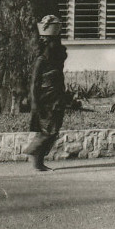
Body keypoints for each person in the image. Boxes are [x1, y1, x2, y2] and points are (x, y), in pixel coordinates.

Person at [24, 14, 68, 172]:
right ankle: (34, 154)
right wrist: (34, 103)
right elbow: (34, 83)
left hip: (57, 98)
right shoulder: (40, 60)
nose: (53, 45)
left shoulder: (56, 59)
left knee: (53, 130)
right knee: (47, 130)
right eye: (51, 42)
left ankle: (38, 159)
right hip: (44, 100)